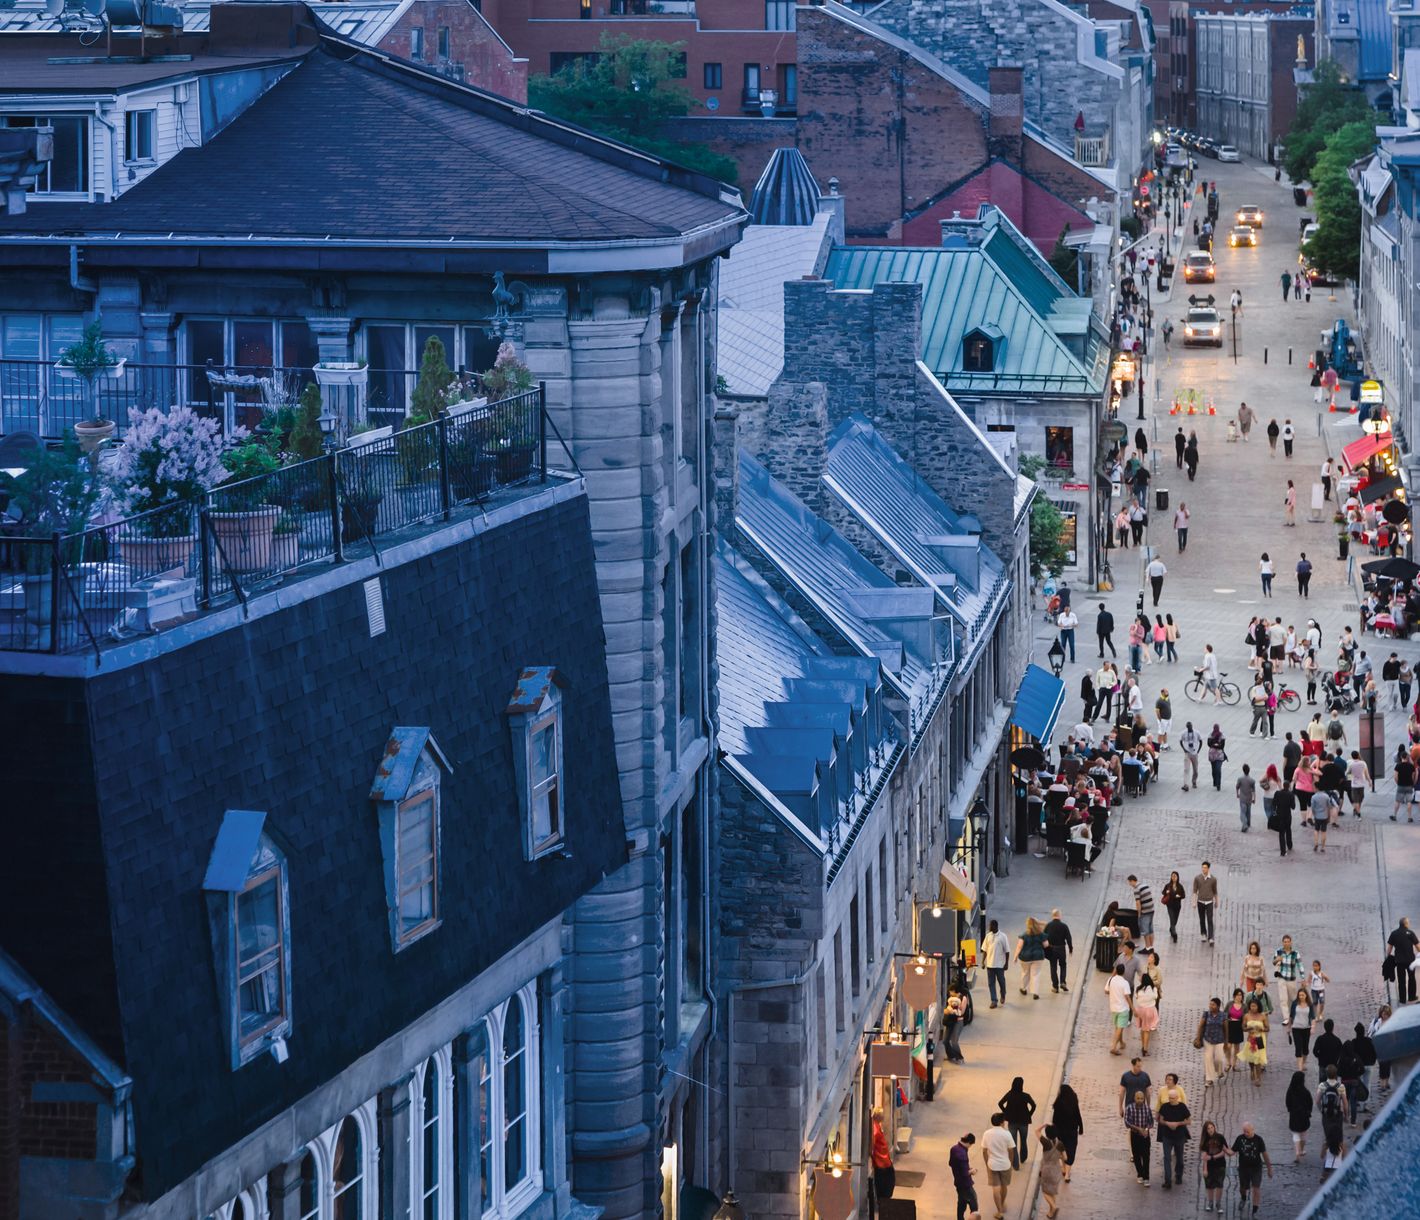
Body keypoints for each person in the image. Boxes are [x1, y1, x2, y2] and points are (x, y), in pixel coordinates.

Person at [1232, 1122, 1273, 1216]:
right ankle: (1243, 1198)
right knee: (1243, 1187)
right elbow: (1232, 1151)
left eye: (1247, 1132)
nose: (1245, 1133)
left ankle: (1255, 1209)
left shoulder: (1259, 1140)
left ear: (1252, 1130)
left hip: (1256, 1168)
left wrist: (1269, 1168)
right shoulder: (1240, 1138)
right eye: (1244, 1131)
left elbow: (1265, 1154)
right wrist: (1225, 1150)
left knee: (1256, 1188)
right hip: (1243, 1168)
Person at [981, 1113, 1016, 1218]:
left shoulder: (987, 1133)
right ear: (1002, 1122)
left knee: (995, 1188)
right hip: (1005, 1164)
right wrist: (1010, 1162)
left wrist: (987, 1163)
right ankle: (1002, 1203)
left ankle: (999, 1211)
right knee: (1004, 1186)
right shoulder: (1007, 1134)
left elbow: (984, 1151)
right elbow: (1011, 1150)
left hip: (992, 1165)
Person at [1156, 1085, 1190, 1190]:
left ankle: (1178, 1175)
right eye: (1169, 1098)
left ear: (1177, 1097)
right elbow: (1160, 1120)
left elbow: (1189, 1121)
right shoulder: (1165, 1107)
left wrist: (1177, 1123)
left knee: (1179, 1158)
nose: (1171, 1100)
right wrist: (1167, 1123)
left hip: (1179, 1136)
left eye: (1173, 1098)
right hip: (1167, 1136)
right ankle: (1167, 1180)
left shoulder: (1182, 1107)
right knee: (1167, 1158)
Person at [998, 1077, 1036, 1164]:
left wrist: (1006, 1112)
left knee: (1013, 1143)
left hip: (1012, 1122)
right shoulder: (1026, 1096)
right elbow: (1033, 1105)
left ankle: (1015, 1163)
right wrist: (1029, 1114)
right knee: (1023, 1141)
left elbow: (1000, 1103)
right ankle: (1023, 1158)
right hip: (1023, 1123)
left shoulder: (1009, 1095)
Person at [1051, 1084, 1083, 1184]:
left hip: (1060, 1132)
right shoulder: (1073, 1101)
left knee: (1061, 1150)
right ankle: (1067, 1174)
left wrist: (1053, 1131)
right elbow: (1078, 1115)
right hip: (1072, 1131)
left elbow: (1054, 1119)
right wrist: (1081, 1127)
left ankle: (1064, 1168)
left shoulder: (1058, 1103)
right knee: (1071, 1150)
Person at [1200, 1120, 1232, 1212]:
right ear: (1205, 1130)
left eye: (1211, 1127)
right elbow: (1205, 1157)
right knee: (1209, 1185)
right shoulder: (1204, 1140)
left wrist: (1213, 1157)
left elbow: (1225, 1151)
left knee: (1219, 1184)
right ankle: (1210, 1203)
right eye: (1208, 1128)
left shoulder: (1220, 1137)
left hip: (1220, 1164)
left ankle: (1218, 1203)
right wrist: (1205, 1169)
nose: (1210, 1130)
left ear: (1214, 1127)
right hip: (1209, 1166)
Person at [1124, 1089, 1154, 1185]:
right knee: (1136, 1156)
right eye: (1138, 1098)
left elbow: (1151, 1122)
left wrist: (1145, 1130)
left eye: (1141, 1098)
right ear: (1134, 1098)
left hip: (1145, 1135)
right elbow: (1127, 1122)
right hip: (1135, 1135)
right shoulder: (1129, 1108)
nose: (1140, 1100)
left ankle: (1146, 1177)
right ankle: (1140, 1174)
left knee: (1146, 1156)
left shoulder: (1147, 1108)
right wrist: (1138, 1129)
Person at [1386, 916, 1418, 1003]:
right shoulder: (1410, 933)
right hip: (1410, 960)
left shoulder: (1394, 933)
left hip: (1399, 961)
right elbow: (1418, 946)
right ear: (1406, 924)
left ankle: (1402, 999)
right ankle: (1412, 997)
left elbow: (1389, 947)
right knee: (1411, 978)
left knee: (1401, 980)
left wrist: (1388, 957)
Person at [1197, 996, 1228, 1085]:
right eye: (1210, 1004)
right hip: (1208, 1039)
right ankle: (1209, 1079)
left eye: (1213, 1005)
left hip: (1220, 1040)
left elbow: (1226, 1029)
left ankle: (1219, 1071)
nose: (1211, 1006)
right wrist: (1198, 1038)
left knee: (1219, 1059)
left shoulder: (1223, 1015)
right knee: (1208, 1058)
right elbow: (1201, 1026)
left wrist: (1226, 1042)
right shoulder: (1206, 1014)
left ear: (1218, 1006)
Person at [1035, 1125, 1065, 1218]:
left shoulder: (1045, 1142)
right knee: (1052, 1191)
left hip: (1047, 1170)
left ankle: (1054, 1207)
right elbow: (1065, 1157)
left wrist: (1044, 1125)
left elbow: (1036, 1131)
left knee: (1045, 1191)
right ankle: (1051, 1212)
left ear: (1047, 1134)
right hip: (1056, 1170)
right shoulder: (1060, 1144)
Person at [949, 1133, 980, 1220]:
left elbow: (951, 1163)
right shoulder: (962, 1154)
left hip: (958, 1182)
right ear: (969, 1142)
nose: (970, 1147)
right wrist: (972, 1171)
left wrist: (966, 1168)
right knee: (974, 1205)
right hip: (965, 1184)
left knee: (962, 1202)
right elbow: (964, 1173)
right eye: (971, 1145)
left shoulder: (954, 1148)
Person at [1317, 1065, 1347, 1151]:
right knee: (1339, 1135)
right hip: (1338, 1113)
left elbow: (1317, 1101)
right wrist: (1346, 1115)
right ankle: (1340, 1155)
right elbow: (1345, 1103)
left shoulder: (1322, 1085)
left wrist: (1322, 1110)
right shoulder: (1341, 1086)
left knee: (1327, 1134)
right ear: (1336, 1075)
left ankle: (1327, 1154)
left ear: (1326, 1074)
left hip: (1326, 1114)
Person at [1016, 917, 1048, 999]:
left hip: (1025, 957)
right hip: (1038, 957)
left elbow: (1019, 947)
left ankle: (1023, 988)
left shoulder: (1024, 935)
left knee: (1025, 973)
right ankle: (1035, 993)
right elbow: (1046, 945)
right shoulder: (1041, 934)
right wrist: (1039, 922)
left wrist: (1015, 957)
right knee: (1035, 974)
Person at [982, 918, 1010, 1008]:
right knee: (991, 983)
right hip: (990, 964)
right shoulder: (988, 936)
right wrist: (983, 961)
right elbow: (985, 950)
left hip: (999, 964)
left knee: (1001, 981)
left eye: (991, 925)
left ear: (995, 926)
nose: (989, 927)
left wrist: (1006, 963)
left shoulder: (1003, 936)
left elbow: (1007, 951)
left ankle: (1003, 994)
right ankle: (994, 1000)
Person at [1241, 997, 1270, 1086]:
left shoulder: (1262, 1016)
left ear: (1258, 1007)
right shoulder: (1246, 1016)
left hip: (1260, 1039)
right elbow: (1243, 1028)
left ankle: (1258, 1078)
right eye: (1251, 1006)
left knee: (1258, 1057)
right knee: (1251, 1057)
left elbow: (1267, 1028)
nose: (1253, 1008)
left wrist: (1261, 1029)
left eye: (1255, 1006)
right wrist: (1248, 1028)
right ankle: (1252, 1070)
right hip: (1251, 1038)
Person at [1287, 1070, 1314, 1162]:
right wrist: (1309, 1111)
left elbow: (1287, 1102)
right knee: (1303, 1133)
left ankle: (1297, 1151)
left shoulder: (1290, 1090)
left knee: (1295, 1134)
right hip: (1304, 1115)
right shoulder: (1305, 1092)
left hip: (1294, 1115)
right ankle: (1301, 1150)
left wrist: (1290, 1109)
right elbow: (1310, 1103)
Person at [1044, 908, 1073, 993]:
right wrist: (1070, 948)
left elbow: (1044, 937)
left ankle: (1055, 987)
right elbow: (1069, 938)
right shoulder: (1064, 926)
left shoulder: (1048, 925)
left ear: (1052, 916)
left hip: (1051, 948)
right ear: (1059, 916)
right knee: (1063, 965)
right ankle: (1063, 982)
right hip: (1061, 948)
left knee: (1053, 967)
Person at [1274, 935, 1302, 1022]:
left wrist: (1303, 978)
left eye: (1288, 941)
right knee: (1283, 999)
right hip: (1281, 978)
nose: (1286, 943)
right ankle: (1286, 1018)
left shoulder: (1295, 953)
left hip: (1291, 979)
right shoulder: (1278, 951)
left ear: (1291, 942)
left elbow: (1300, 965)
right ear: (1283, 942)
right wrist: (1277, 959)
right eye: (1284, 942)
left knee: (1293, 998)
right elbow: (1274, 962)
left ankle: (1292, 1014)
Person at [1107, 964, 1133, 1055]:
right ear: (1124, 972)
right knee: (1120, 1027)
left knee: (1118, 1027)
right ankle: (1113, 1046)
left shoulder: (1111, 980)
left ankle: (1121, 1043)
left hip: (1113, 1007)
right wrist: (1132, 1008)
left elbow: (1106, 991)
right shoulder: (1125, 983)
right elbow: (1127, 996)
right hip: (1123, 1008)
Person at [1133, 972, 1160, 1056]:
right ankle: (1145, 1049)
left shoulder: (1138, 989)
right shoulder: (1153, 989)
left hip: (1140, 1010)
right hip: (1149, 1011)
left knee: (1142, 1029)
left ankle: (1142, 1045)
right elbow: (1156, 997)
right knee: (1147, 1030)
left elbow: (1136, 997)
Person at [871, 1106, 895, 1199]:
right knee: (887, 1181)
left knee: (888, 1179)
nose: (884, 1117)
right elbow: (872, 1144)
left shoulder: (877, 1126)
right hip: (881, 1160)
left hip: (883, 1159)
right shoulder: (876, 1130)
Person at [1193, 860, 1218, 943]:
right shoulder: (1197, 878)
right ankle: (1203, 934)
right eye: (1202, 867)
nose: (1203, 869)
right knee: (1202, 919)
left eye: (1205, 868)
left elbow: (1215, 891)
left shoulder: (1213, 879)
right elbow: (1195, 891)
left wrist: (1216, 901)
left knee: (1210, 919)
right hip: (1200, 902)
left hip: (1209, 902)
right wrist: (1194, 902)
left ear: (1208, 868)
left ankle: (1211, 937)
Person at [1128, 875, 1155, 949]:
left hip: (1145, 911)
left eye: (1129, 883)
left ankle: (1147, 948)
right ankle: (1151, 947)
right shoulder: (1145, 885)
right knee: (1150, 929)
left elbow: (1138, 903)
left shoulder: (1136, 889)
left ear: (1132, 881)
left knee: (1145, 931)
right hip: (1151, 909)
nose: (1130, 885)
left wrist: (1139, 913)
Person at [1274, 777, 1296, 856]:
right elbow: (1293, 807)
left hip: (1280, 815)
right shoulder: (1291, 795)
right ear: (1289, 786)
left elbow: (1274, 804)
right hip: (1287, 815)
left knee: (1281, 833)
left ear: (1283, 785)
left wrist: (1274, 812)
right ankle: (1289, 845)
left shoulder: (1277, 793)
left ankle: (1282, 850)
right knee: (1288, 830)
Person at [1161, 870, 1185, 942]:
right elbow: (1163, 892)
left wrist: (1179, 896)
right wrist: (1166, 892)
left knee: (1175, 921)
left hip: (1177, 906)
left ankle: (1171, 929)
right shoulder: (1168, 885)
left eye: (1175, 876)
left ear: (1177, 877)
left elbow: (1183, 895)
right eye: (1172, 876)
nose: (1173, 878)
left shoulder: (1180, 886)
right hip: (1170, 905)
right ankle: (1175, 935)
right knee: (1172, 919)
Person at [1395, 749, 1416, 823]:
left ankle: (1395, 815)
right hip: (1409, 785)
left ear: (1401, 757)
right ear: (1407, 757)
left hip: (1401, 785)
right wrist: (1412, 783)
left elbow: (1395, 776)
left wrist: (1398, 783)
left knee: (1398, 801)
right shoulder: (1411, 766)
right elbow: (1413, 776)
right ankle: (1409, 817)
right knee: (1409, 801)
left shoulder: (1398, 766)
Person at [1348, 751, 1370, 817]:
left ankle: (1356, 810)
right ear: (1358, 755)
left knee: (1356, 799)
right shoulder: (1363, 763)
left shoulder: (1351, 764)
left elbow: (1347, 773)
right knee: (1360, 798)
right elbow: (1366, 773)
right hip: (1362, 783)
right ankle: (1358, 811)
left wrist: (1350, 778)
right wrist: (1369, 781)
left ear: (1352, 756)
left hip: (1354, 784)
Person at [1180, 721, 1201, 790]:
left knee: (1195, 770)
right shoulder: (1184, 733)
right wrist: (1184, 749)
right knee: (1186, 769)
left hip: (1194, 753)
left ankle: (1194, 781)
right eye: (1188, 727)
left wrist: (1198, 751)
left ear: (1192, 726)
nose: (1189, 728)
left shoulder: (1197, 732)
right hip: (1187, 753)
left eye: (1190, 726)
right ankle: (1186, 784)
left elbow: (1201, 741)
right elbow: (1180, 741)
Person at [1236, 763, 1256, 831]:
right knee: (1248, 811)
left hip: (1242, 798)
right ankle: (1248, 823)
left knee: (1243, 812)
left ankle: (1244, 824)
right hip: (1249, 798)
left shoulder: (1240, 779)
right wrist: (1254, 799)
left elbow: (1237, 787)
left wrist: (1237, 794)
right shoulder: (1252, 780)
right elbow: (1253, 790)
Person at [1207, 724, 1227, 791]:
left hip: (1219, 756)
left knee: (1218, 769)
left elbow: (1222, 746)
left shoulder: (1222, 736)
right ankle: (1215, 782)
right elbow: (1209, 744)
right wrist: (1216, 745)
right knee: (1213, 770)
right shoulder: (1210, 735)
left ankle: (1218, 784)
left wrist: (1215, 745)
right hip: (1212, 755)